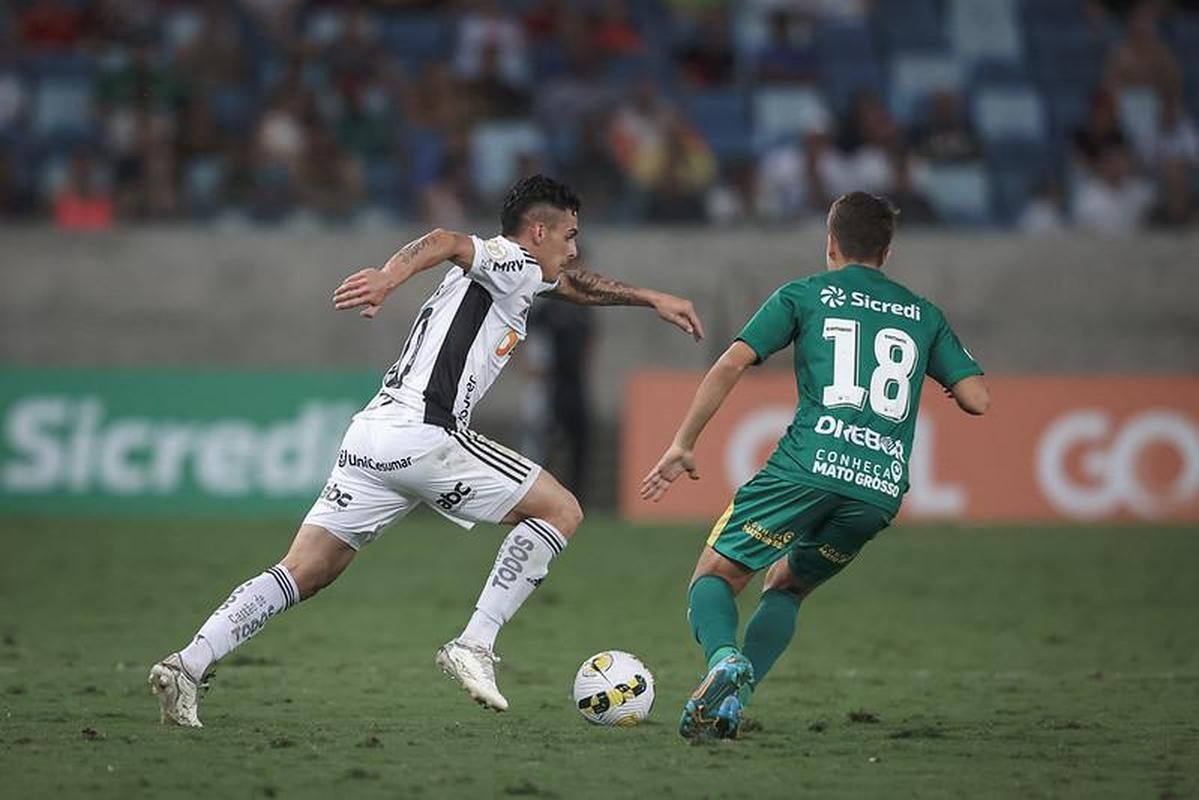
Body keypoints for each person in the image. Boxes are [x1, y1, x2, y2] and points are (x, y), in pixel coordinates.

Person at [150, 175, 705, 727]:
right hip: (426, 434)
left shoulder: (520, 273)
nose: (575, 249)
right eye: (570, 235)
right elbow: (445, 240)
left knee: (304, 570)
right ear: (539, 232)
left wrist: (651, 298)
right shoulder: (510, 259)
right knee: (561, 510)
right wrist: (387, 278)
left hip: (371, 435)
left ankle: (187, 665)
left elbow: (572, 286)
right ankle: (475, 644)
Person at [640, 191, 990, 741]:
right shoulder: (923, 314)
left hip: (807, 467)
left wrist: (683, 442)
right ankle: (732, 705)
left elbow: (732, 362)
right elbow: (977, 399)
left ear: (830, 243)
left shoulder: (803, 294)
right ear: (887, 251)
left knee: (715, 576)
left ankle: (725, 661)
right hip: (878, 486)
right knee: (787, 587)